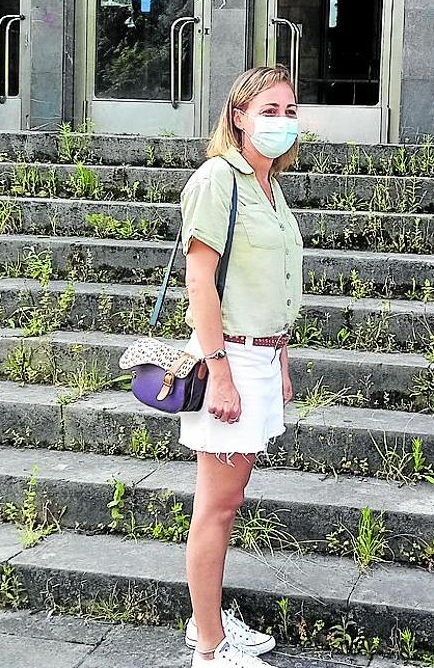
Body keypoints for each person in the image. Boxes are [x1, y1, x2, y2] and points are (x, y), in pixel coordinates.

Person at [179, 66, 303, 667]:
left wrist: (280, 356)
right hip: (229, 354)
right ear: (238, 116)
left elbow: (269, 281)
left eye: (289, 110)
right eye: (268, 110)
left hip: (259, 353)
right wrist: (220, 370)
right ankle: (208, 645)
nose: (282, 121)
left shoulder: (268, 186)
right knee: (218, 506)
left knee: (230, 498)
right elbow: (199, 279)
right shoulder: (218, 181)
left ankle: (209, 617)